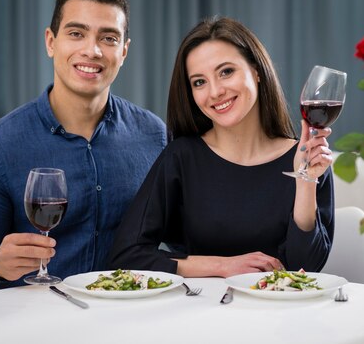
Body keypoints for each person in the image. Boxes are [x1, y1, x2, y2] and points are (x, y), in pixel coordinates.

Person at [0, 0, 167, 292]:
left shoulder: (155, 137)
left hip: (130, 323)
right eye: (76, 33)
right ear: (51, 42)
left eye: (108, 38)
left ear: (124, 51)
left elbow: (185, 241)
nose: (92, 50)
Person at [108, 17, 335, 277]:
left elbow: (306, 267)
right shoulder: (182, 157)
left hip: (281, 314)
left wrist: (305, 180)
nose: (215, 91)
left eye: (226, 71)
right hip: (202, 311)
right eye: (199, 82)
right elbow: (126, 255)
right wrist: (222, 266)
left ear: (257, 71)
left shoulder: (307, 160)